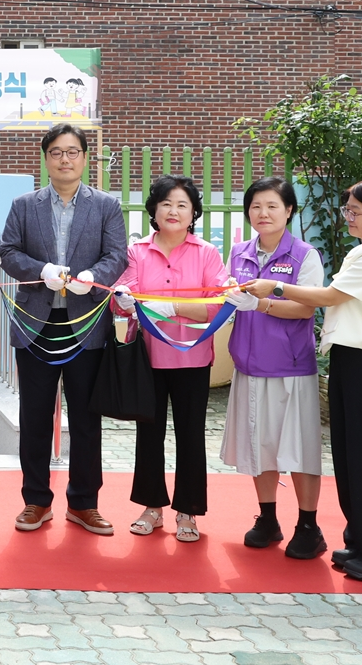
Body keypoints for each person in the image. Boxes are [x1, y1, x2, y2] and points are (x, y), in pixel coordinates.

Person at [244, 177, 362, 583]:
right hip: (351, 361)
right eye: (347, 210)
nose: (348, 217)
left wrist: (276, 287)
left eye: (356, 211)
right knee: (354, 462)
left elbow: (329, 298)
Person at [0, 123, 127, 536]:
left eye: (72, 152)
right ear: (46, 158)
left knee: (87, 419)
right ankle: (36, 501)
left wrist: (93, 274)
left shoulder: (106, 205)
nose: (65, 159)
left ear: (85, 158)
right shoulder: (24, 205)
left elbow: (117, 255)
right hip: (37, 323)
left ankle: (84, 503)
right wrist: (41, 271)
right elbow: (7, 252)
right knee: (35, 417)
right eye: (56, 152)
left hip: (86, 322)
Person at [108, 175, 230, 543]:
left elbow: (217, 304)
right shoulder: (137, 252)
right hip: (149, 358)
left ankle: (188, 511)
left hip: (193, 360)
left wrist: (174, 307)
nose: (173, 211)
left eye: (182, 205)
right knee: (149, 435)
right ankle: (151, 506)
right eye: (166, 204)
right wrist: (124, 299)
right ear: (154, 211)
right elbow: (120, 299)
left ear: (194, 213)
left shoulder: (206, 253)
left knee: (191, 436)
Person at [219, 177, 327, 559]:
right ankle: (268, 519)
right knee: (258, 444)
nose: (263, 214)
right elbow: (224, 301)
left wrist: (263, 304)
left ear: (289, 211)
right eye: (255, 207)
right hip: (249, 365)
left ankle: (309, 525)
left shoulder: (303, 255)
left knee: (298, 449)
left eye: (272, 206)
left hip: (291, 368)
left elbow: (306, 308)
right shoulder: (238, 253)